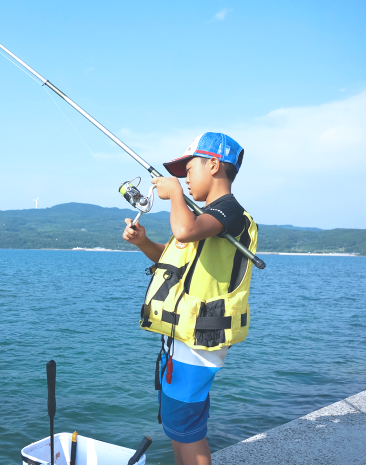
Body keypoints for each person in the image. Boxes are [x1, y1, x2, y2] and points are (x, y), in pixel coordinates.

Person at [122, 133, 258, 465]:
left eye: (189, 168)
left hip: (199, 338)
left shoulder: (229, 211)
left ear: (213, 165)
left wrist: (176, 196)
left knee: (186, 427)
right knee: (177, 424)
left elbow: (183, 231)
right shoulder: (202, 218)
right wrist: (143, 242)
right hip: (185, 335)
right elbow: (171, 258)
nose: (183, 177)